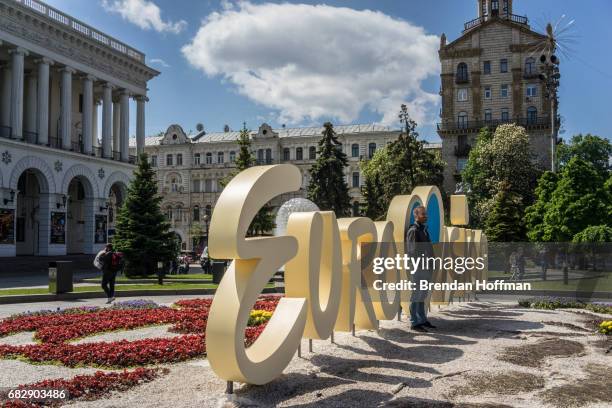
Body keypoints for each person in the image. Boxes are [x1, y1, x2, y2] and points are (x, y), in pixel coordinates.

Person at [405, 205, 436, 332]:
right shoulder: (413, 231)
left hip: (426, 267)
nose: (426, 216)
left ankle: (422, 319)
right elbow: (412, 252)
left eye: (426, 214)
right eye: (423, 214)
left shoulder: (424, 230)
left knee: (422, 294)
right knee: (416, 294)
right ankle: (414, 322)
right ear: (416, 216)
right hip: (418, 268)